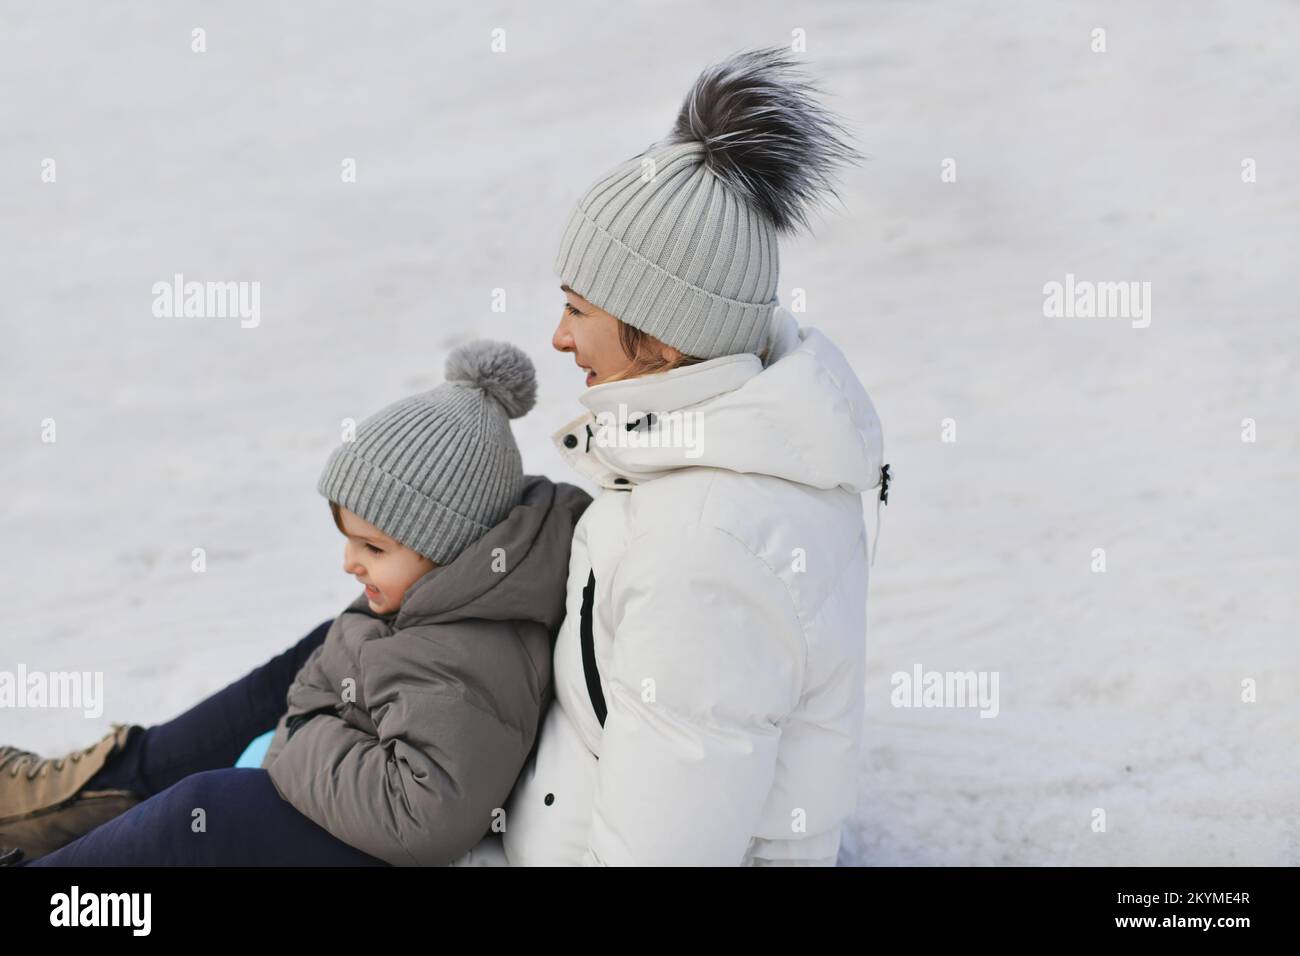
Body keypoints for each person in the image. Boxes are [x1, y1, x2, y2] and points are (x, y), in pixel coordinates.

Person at [453, 46, 889, 866]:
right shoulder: (724, 454)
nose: (557, 337)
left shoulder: (704, 548)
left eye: (578, 310)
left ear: (659, 337)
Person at [0, 341, 591, 865]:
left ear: (448, 545)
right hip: (351, 803)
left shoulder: (462, 657)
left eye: (372, 546)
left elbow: (420, 814)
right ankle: (87, 803)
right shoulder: (432, 608)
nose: (349, 563)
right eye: (348, 539)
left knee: (206, 809)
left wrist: (303, 733)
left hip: (389, 838)